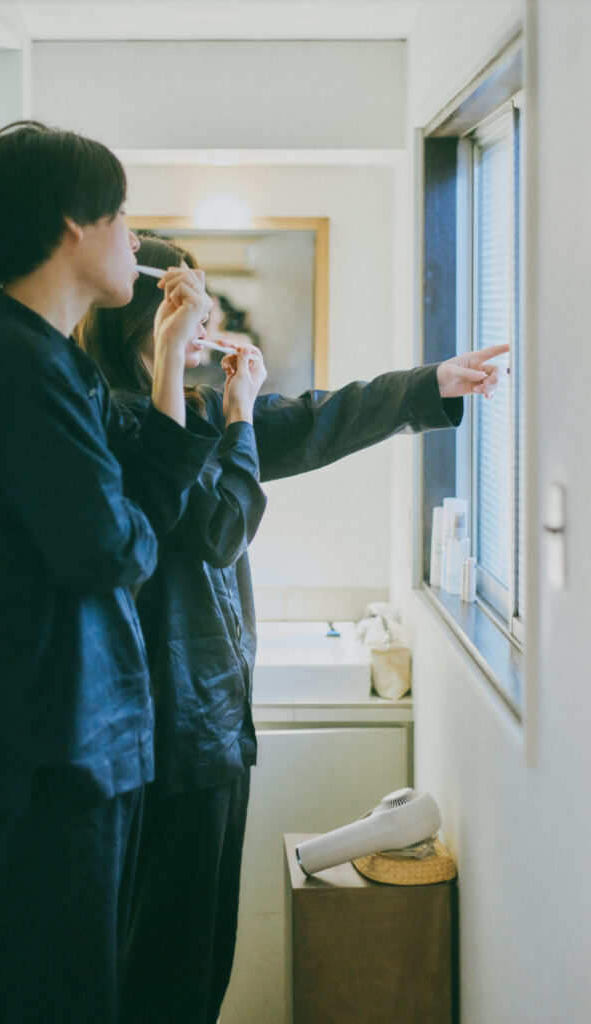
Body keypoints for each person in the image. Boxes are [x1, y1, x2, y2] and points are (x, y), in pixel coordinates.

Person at [78, 233, 507, 1024]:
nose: (209, 324)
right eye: (193, 307)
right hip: (172, 732)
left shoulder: (192, 412)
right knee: (170, 964)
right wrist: (240, 415)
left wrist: (431, 384)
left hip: (212, 724)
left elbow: (315, 419)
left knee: (204, 955)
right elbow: (218, 530)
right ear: (152, 320)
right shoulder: (126, 424)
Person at [0, 123, 219, 1024]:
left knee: (88, 993)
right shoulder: (16, 368)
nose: (134, 237)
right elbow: (114, 549)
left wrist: (169, 361)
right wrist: (133, 522)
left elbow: (145, 503)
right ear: (72, 225)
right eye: (121, 215)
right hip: (52, 753)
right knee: (52, 997)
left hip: (87, 743)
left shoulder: (60, 364)